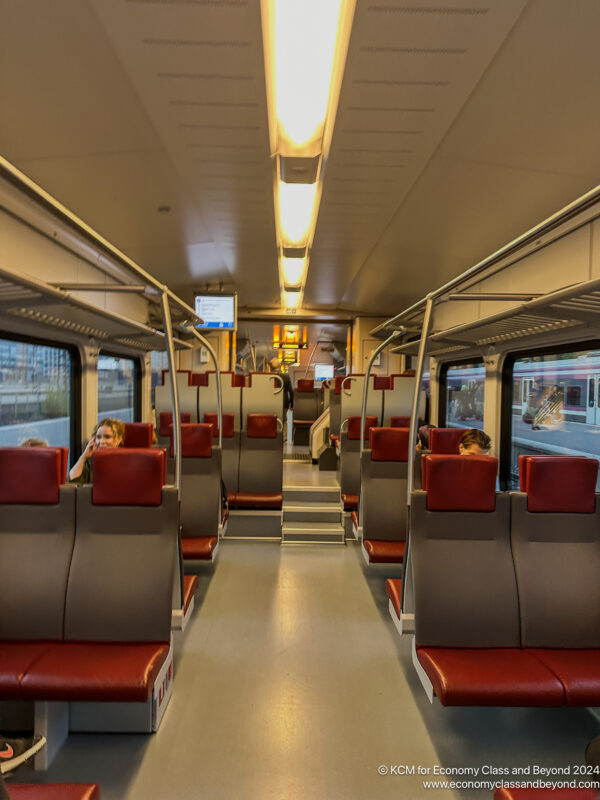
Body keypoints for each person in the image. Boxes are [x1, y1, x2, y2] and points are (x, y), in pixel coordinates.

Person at [68, 417, 125, 483]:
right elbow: (71, 482)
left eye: (107, 437)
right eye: (98, 437)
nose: (101, 441)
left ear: (118, 439)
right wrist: (83, 457)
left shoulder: (125, 461)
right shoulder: (90, 461)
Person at [269, 358, 293, 442]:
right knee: (284, 419)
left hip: (270, 401)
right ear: (280, 366)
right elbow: (291, 391)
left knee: (272, 418)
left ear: (271, 367)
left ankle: (272, 435)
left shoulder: (268, 376)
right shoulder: (286, 376)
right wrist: (292, 404)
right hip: (284, 401)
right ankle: (284, 437)